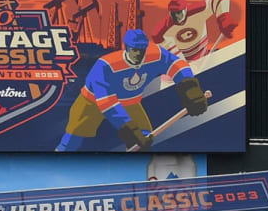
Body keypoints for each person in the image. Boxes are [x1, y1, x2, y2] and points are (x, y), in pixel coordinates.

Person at [55, 28, 207, 153]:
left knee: (145, 138)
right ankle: (58, 162)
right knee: (73, 138)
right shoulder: (106, 65)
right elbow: (107, 103)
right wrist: (129, 128)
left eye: (142, 50)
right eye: (135, 50)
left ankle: (137, 174)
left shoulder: (155, 54)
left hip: (130, 102)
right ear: (126, 48)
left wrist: (190, 89)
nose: (139, 55)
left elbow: (177, 64)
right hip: (92, 103)